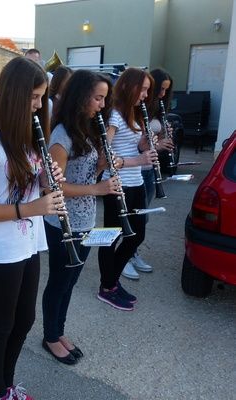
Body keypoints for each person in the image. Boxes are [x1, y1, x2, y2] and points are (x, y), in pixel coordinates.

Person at [0, 57, 66, 400]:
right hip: (2, 251)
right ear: (14, 95)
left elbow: (31, 186)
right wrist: (30, 208)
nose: (39, 105)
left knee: (24, 321)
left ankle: (6, 386)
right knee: (1, 326)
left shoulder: (25, 135)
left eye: (42, 97)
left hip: (29, 243)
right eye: (34, 97)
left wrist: (47, 180)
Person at [41, 70, 118, 365]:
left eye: (104, 99)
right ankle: (50, 336)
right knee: (59, 281)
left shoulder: (88, 129)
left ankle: (58, 331)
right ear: (81, 96)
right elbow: (52, 186)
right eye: (98, 98)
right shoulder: (61, 136)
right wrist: (98, 188)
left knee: (71, 281)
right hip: (63, 221)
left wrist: (101, 167)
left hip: (85, 219)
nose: (102, 105)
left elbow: (86, 175)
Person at [97, 68, 157, 310]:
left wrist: (147, 143)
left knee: (136, 236)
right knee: (110, 237)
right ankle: (107, 287)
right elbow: (104, 155)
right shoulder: (114, 116)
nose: (145, 95)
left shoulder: (134, 114)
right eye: (143, 89)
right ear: (128, 86)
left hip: (136, 183)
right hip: (116, 185)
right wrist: (138, 160)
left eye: (147, 91)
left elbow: (134, 146)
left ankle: (111, 281)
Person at [121, 68, 175, 280]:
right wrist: (155, 144)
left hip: (149, 168)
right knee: (129, 216)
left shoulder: (156, 109)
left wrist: (163, 138)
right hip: (133, 169)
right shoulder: (135, 109)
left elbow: (151, 141)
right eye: (160, 89)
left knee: (142, 217)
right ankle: (123, 257)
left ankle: (132, 252)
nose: (162, 94)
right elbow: (131, 144)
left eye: (166, 90)